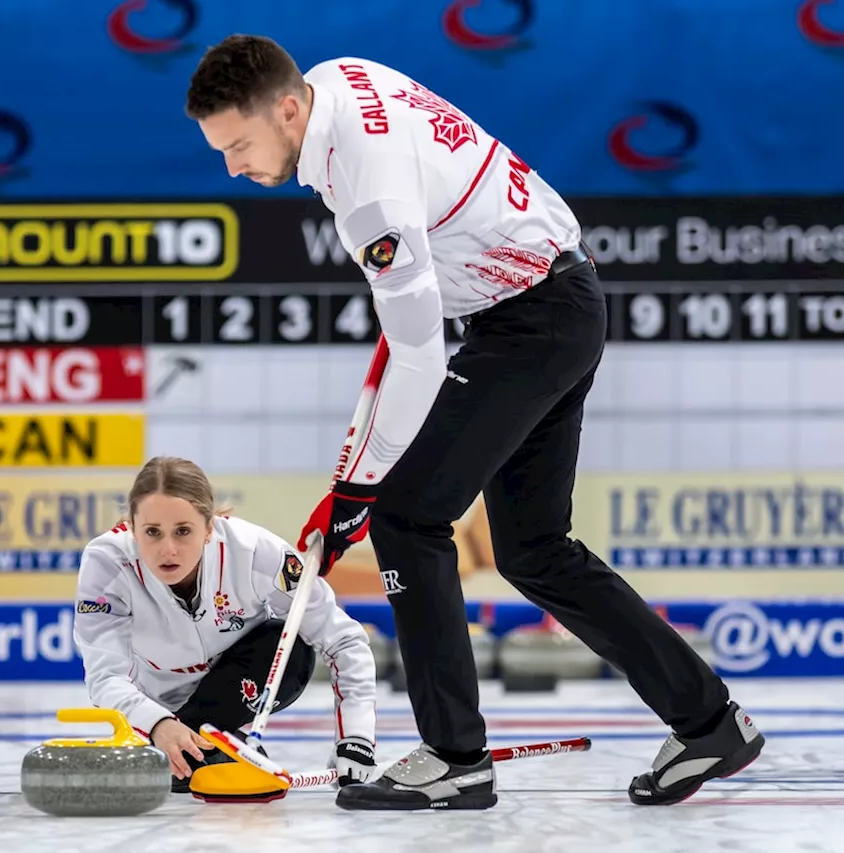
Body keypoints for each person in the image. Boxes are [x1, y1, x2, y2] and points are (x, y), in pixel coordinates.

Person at [184, 36, 763, 811]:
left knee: (407, 515)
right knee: (534, 549)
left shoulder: (368, 191)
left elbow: (419, 357)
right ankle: (710, 722)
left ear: (287, 111)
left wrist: (360, 490)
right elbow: (406, 320)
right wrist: (354, 478)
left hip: (530, 319)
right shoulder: (335, 80)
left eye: (239, 145)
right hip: (554, 299)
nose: (233, 168)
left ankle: (456, 756)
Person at [72, 455, 378, 793]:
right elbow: (105, 676)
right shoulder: (107, 562)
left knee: (288, 641)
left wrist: (356, 737)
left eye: (183, 531)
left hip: (243, 680)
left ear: (209, 526)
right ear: (131, 526)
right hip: (157, 701)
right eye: (152, 532)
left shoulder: (255, 551)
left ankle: (219, 741)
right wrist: (156, 722)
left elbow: (344, 640)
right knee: (182, 770)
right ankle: (214, 748)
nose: (168, 549)